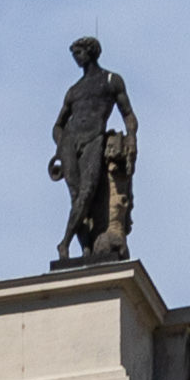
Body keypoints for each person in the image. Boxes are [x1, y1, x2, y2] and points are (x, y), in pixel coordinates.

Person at [50, 36, 138, 266]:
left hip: (93, 139)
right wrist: (61, 146)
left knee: (87, 192)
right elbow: (58, 125)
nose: (76, 59)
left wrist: (131, 138)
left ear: (90, 52)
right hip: (70, 143)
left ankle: (65, 242)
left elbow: (128, 114)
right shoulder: (74, 91)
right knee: (76, 195)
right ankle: (86, 247)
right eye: (74, 55)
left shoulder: (111, 80)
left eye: (79, 53)